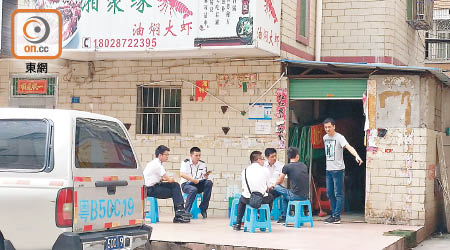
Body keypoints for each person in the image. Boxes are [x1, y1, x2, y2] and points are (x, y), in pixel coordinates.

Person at [322, 118, 363, 224]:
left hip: (338, 170)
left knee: (338, 193)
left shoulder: (340, 137)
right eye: (326, 127)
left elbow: (348, 147)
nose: (327, 129)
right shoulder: (325, 138)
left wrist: (357, 156)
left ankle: (336, 216)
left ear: (334, 126)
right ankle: (334, 215)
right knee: (329, 193)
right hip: (329, 170)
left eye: (329, 127)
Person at [143, 145, 190, 223]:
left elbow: (158, 178)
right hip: (149, 190)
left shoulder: (154, 163)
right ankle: (179, 212)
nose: (167, 157)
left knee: (175, 186)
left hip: (152, 186)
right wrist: (171, 179)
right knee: (175, 187)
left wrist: (166, 179)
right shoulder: (157, 165)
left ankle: (179, 212)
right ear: (160, 155)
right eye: (166, 155)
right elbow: (170, 180)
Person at [233, 151, 274, 231]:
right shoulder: (265, 170)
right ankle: (264, 220)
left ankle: (238, 224)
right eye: (262, 159)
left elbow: (243, 187)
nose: (264, 161)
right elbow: (268, 187)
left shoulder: (244, 171)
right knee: (271, 197)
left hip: (247, 199)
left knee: (241, 200)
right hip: (261, 199)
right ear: (258, 160)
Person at [274, 147, 309, 223]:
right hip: (306, 196)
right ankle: (300, 214)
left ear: (289, 157)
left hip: (295, 195)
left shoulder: (287, 167)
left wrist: (273, 185)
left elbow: (279, 181)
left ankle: (284, 217)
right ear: (297, 156)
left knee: (277, 188)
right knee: (286, 195)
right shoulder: (304, 165)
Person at [180, 147, 213, 219]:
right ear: (191, 155)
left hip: (198, 183)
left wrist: (205, 176)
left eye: (199, 155)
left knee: (209, 183)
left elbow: (203, 177)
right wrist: (193, 180)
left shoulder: (202, 164)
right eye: (196, 155)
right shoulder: (185, 162)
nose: (198, 157)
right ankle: (186, 212)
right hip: (186, 184)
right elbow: (182, 174)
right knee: (193, 189)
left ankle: (203, 208)